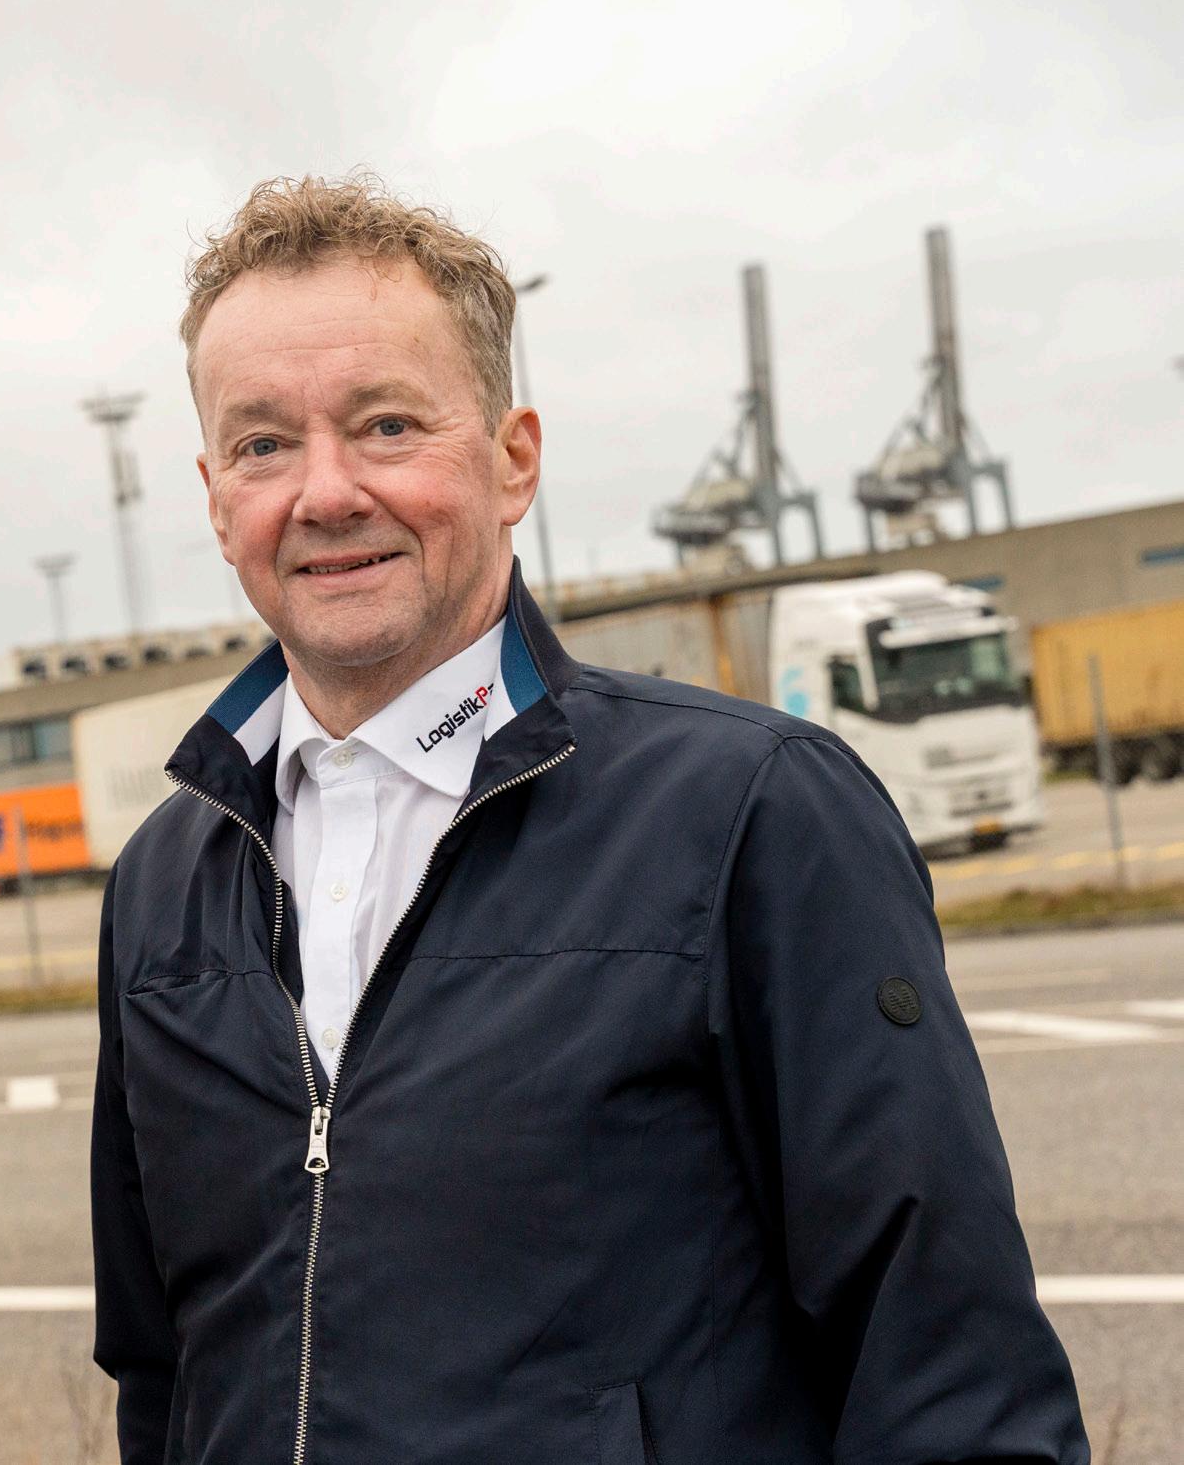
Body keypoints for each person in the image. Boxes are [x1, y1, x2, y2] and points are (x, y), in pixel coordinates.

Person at [89, 175, 1087, 1464]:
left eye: (386, 425)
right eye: (264, 444)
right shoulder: (162, 880)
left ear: (513, 461)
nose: (324, 491)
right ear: (216, 496)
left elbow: (947, 1367)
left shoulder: (753, 812)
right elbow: (163, 1369)